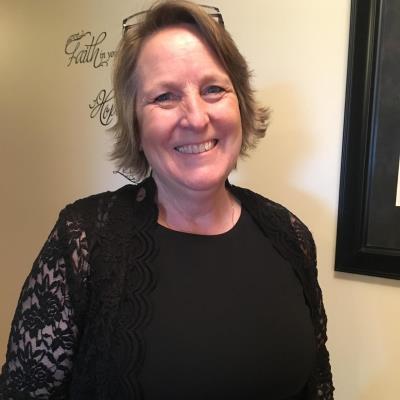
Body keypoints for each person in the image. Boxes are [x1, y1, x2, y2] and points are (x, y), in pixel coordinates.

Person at [0, 1, 334, 399]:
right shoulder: (83, 241)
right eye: (165, 97)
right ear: (136, 125)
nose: (196, 117)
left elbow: (316, 386)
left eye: (213, 89)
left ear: (241, 105)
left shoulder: (290, 235)